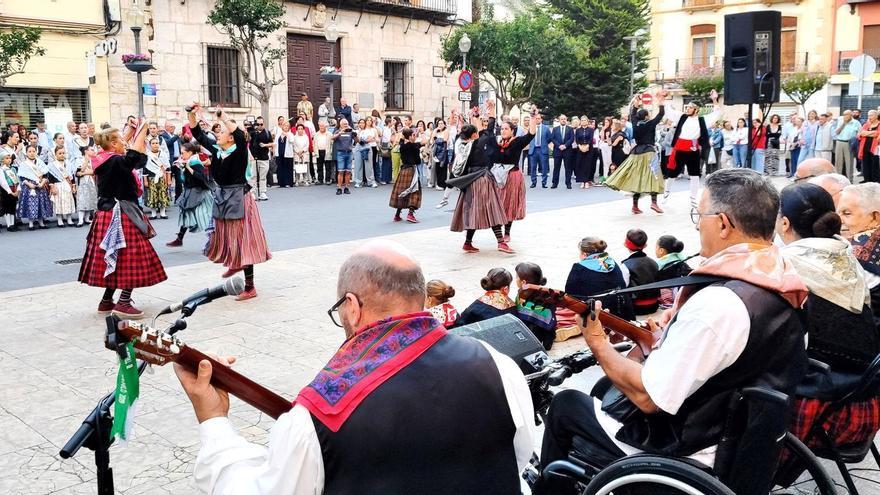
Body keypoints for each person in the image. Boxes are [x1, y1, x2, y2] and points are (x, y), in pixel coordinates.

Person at [176, 240, 535, 493]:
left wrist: (214, 422)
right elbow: (517, 461)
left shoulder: (317, 414)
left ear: (352, 305)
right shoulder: (497, 364)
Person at [534, 169, 809, 495]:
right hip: (743, 439)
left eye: (699, 215)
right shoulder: (786, 280)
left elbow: (649, 398)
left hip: (690, 451)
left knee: (568, 403)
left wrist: (596, 340)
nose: (697, 224)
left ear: (722, 223)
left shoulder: (720, 303)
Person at [77, 124, 167, 318]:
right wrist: (143, 129)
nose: (124, 143)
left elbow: (129, 154)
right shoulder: (115, 160)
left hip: (107, 213)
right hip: (120, 212)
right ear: (112, 143)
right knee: (132, 259)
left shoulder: (102, 158)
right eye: (120, 140)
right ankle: (123, 302)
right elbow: (134, 157)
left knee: (116, 258)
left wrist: (131, 132)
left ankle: (107, 301)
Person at [188, 104, 271, 301]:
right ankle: (236, 262)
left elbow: (242, 137)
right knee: (228, 236)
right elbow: (198, 134)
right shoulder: (217, 151)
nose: (218, 135)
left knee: (243, 241)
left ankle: (250, 287)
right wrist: (191, 114)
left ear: (231, 138)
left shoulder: (239, 151)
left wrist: (222, 116)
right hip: (223, 197)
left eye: (223, 132)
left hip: (239, 198)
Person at [448, 116, 514, 254]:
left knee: (473, 212)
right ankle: (501, 242)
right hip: (481, 179)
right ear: (473, 134)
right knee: (492, 209)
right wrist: (490, 115)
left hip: (469, 181)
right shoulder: (477, 144)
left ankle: (467, 243)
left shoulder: (460, 144)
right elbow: (489, 131)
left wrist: (474, 119)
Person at [605, 91, 666, 215]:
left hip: (636, 152)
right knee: (655, 176)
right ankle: (654, 202)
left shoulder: (634, 122)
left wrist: (636, 101)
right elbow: (661, 114)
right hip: (649, 152)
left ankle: (635, 206)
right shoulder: (650, 124)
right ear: (646, 117)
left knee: (636, 179)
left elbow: (632, 111)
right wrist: (660, 102)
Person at [664, 89, 722, 206]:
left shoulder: (702, 120)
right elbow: (669, 111)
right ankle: (666, 193)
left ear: (696, 110)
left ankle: (693, 198)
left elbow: (717, 114)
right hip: (679, 149)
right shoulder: (682, 117)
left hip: (693, 150)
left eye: (690, 108)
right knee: (671, 175)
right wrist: (666, 98)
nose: (687, 109)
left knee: (694, 175)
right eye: (687, 107)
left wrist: (715, 100)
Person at [837, 182, 880, 326]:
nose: (838, 220)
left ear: (875, 217)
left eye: (846, 213)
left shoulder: (856, 255)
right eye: (837, 213)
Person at [490, 112, 535, 243]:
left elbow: (531, 135)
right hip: (497, 177)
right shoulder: (497, 143)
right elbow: (485, 134)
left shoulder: (517, 142)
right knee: (497, 205)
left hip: (512, 176)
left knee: (509, 205)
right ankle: (498, 235)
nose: (503, 131)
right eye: (502, 129)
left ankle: (507, 233)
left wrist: (532, 118)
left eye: (506, 129)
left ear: (512, 131)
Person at [564, 236, 634, 321]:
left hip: (597, 312)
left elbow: (570, 294)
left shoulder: (579, 268)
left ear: (584, 254)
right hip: (622, 311)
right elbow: (622, 285)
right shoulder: (612, 263)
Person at [167, 142, 214, 247]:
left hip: (201, 193)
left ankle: (213, 241)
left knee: (204, 217)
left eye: (183, 153)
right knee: (186, 214)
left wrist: (188, 168)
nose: (181, 155)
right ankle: (179, 238)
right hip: (190, 191)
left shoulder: (194, 162)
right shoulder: (188, 161)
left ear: (190, 152)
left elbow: (202, 177)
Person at [514, 262, 557, 350]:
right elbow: (550, 324)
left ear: (523, 282)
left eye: (516, 277)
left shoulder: (520, 297)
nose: (515, 279)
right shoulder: (547, 296)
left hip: (528, 339)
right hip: (540, 338)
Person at [620, 228, 661, 315]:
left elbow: (623, 285)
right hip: (654, 305)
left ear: (626, 244)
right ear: (645, 245)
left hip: (637, 307)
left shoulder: (625, 265)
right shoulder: (654, 262)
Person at [17, 144, 54, 230]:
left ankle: (41, 222)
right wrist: (29, 184)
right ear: (26, 153)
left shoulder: (40, 163)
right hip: (29, 186)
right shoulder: (24, 164)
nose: (32, 153)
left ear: (36, 152)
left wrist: (43, 182)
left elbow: (45, 174)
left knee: (41, 203)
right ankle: (31, 223)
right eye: (29, 151)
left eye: (33, 151)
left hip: (40, 186)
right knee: (31, 204)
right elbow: (22, 177)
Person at [389, 128, 422, 223]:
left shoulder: (402, 146)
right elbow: (418, 161)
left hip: (403, 170)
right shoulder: (414, 146)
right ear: (411, 136)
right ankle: (410, 214)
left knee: (402, 191)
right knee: (414, 191)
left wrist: (403, 137)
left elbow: (401, 141)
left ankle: (397, 215)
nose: (415, 136)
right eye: (414, 135)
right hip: (411, 170)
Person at [655, 235, 691, 307]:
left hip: (669, 302)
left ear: (661, 251)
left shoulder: (661, 267)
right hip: (685, 298)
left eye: (656, 247)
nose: (655, 249)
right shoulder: (682, 262)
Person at [46, 146, 77, 227]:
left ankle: (69, 218)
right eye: (59, 153)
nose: (62, 155)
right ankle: (59, 220)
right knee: (58, 202)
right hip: (58, 185)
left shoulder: (69, 164)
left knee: (68, 202)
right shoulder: (52, 165)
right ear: (55, 155)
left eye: (63, 153)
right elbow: (50, 177)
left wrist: (73, 185)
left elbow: (72, 176)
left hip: (67, 185)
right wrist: (52, 186)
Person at [143, 137, 171, 220]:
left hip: (162, 177)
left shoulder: (163, 154)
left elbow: (168, 168)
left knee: (162, 194)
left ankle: (163, 213)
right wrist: (145, 180)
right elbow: (145, 169)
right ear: (150, 145)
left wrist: (168, 179)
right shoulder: (148, 155)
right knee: (152, 195)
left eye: (157, 143)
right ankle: (153, 214)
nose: (155, 145)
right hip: (151, 178)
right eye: (153, 143)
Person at [248, 117, 273, 200]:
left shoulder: (267, 132)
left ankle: (263, 193)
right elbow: (247, 134)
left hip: (264, 157)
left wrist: (265, 145)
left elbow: (272, 143)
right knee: (253, 176)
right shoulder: (252, 132)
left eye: (261, 124)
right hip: (254, 158)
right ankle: (253, 192)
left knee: (263, 177)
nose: (259, 126)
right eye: (258, 124)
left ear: (264, 124)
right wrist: (253, 128)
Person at [834, 110, 861, 181]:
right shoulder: (840, 120)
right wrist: (843, 124)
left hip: (849, 143)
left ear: (851, 115)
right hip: (839, 142)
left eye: (847, 114)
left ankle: (850, 180)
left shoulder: (856, 123)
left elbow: (860, 133)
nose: (845, 116)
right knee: (838, 162)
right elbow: (836, 132)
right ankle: (838, 179)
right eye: (844, 114)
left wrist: (855, 139)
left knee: (849, 162)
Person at [331, 118, 356, 195]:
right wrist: (340, 133)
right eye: (344, 124)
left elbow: (357, 140)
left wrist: (355, 134)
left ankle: (346, 187)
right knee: (341, 171)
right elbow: (332, 138)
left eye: (346, 124)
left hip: (349, 152)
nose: (346, 125)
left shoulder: (350, 131)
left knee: (348, 171)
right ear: (341, 125)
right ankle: (339, 188)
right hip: (340, 153)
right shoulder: (338, 131)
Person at [550, 114, 575, 189]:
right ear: (559, 120)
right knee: (556, 168)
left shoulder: (570, 129)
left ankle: (568, 183)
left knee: (568, 168)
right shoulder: (555, 129)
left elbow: (571, 139)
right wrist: (559, 146)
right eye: (562, 119)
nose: (563, 120)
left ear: (566, 120)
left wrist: (565, 146)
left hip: (567, 151)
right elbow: (553, 139)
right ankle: (554, 183)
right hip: (557, 151)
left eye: (564, 119)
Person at [528, 113, 551, 188]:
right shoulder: (531, 127)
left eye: (539, 118)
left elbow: (549, 138)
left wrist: (544, 144)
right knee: (533, 167)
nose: (537, 120)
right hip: (533, 150)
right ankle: (533, 182)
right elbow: (528, 137)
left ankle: (544, 182)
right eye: (536, 118)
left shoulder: (546, 128)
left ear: (541, 119)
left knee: (544, 167)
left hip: (542, 149)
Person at [857, 109, 880, 183]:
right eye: (868, 115)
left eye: (871, 115)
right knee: (866, 167)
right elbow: (861, 134)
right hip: (865, 148)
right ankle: (867, 182)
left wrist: (866, 133)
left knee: (874, 167)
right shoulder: (866, 125)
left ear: (876, 116)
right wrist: (873, 133)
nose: (869, 117)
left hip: (875, 149)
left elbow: (878, 134)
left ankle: (875, 183)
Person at [573, 115, 595, 188]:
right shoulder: (578, 130)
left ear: (587, 121)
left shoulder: (591, 130)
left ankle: (587, 181)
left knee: (587, 165)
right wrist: (580, 146)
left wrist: (587, 146)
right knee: (581, 164)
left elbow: (591, 139)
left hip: (589, 148)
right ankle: (582, 181)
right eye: (582, 120)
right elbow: (576, 139)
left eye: (585, 120)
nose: (583, 122)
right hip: (580, 148)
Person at [0, 150, 19, 231]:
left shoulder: (13, 169)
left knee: (12, 207)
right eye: (6, 158)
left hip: (14, 188)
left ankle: (12, 224)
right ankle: (9, 225)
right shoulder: (2, 170)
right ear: (2, 160)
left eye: (10, 158)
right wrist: (10, 191)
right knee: (7, 207)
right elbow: (3, 182)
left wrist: (18, 190)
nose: (9, 160)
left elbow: (17, 180)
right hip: (7, 190)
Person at [313, 121, 331, 186]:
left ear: (325, 126)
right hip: (319, 151)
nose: (322, 127)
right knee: (319, 166)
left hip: (327, 151)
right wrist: (315, 152)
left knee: (328, 167)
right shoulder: (316, 134)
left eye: (323, 126)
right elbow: (314, 143)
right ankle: (320, 180)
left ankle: (328, 180)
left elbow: (331, 143)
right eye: (320, 126)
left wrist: (330, 152)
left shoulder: (329, 134)